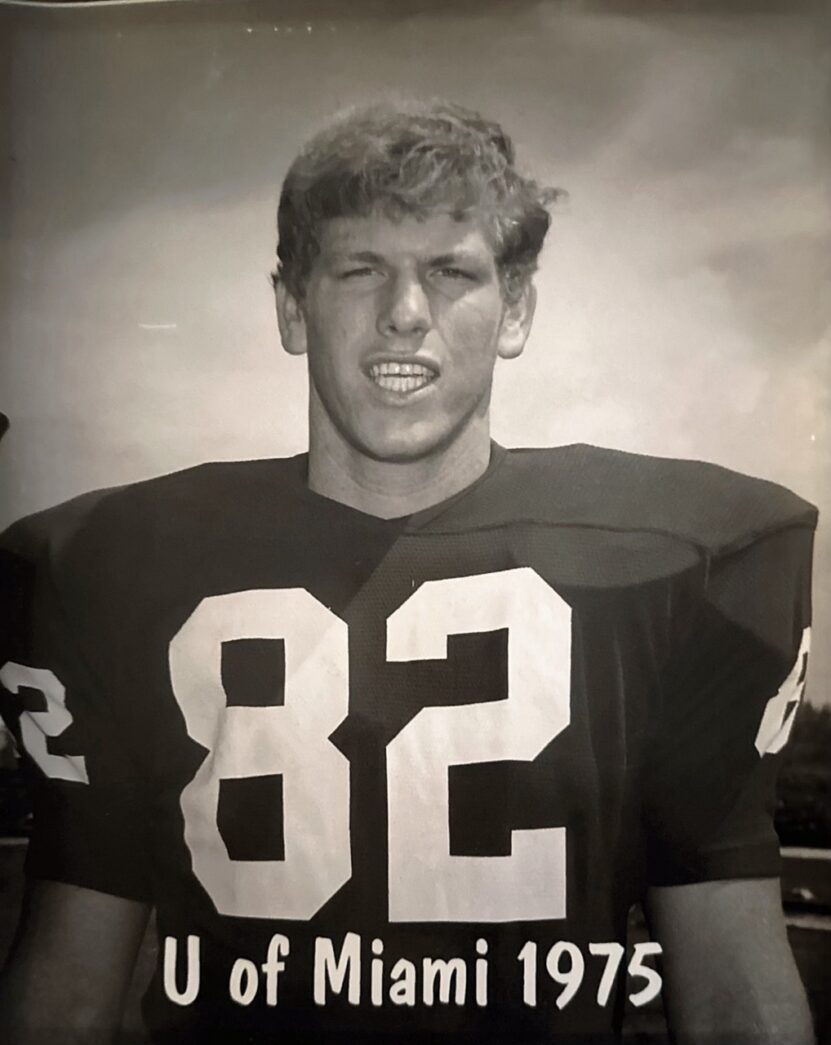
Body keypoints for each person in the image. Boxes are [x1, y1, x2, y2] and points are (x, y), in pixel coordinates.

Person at [0, 100, 818, 1044]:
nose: (403, 314)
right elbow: (65, 987)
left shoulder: (676, 570)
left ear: (515, 310)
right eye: (359, 269)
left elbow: (732, 994)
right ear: (291, 307)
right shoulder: (113, 569)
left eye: (450, 271)